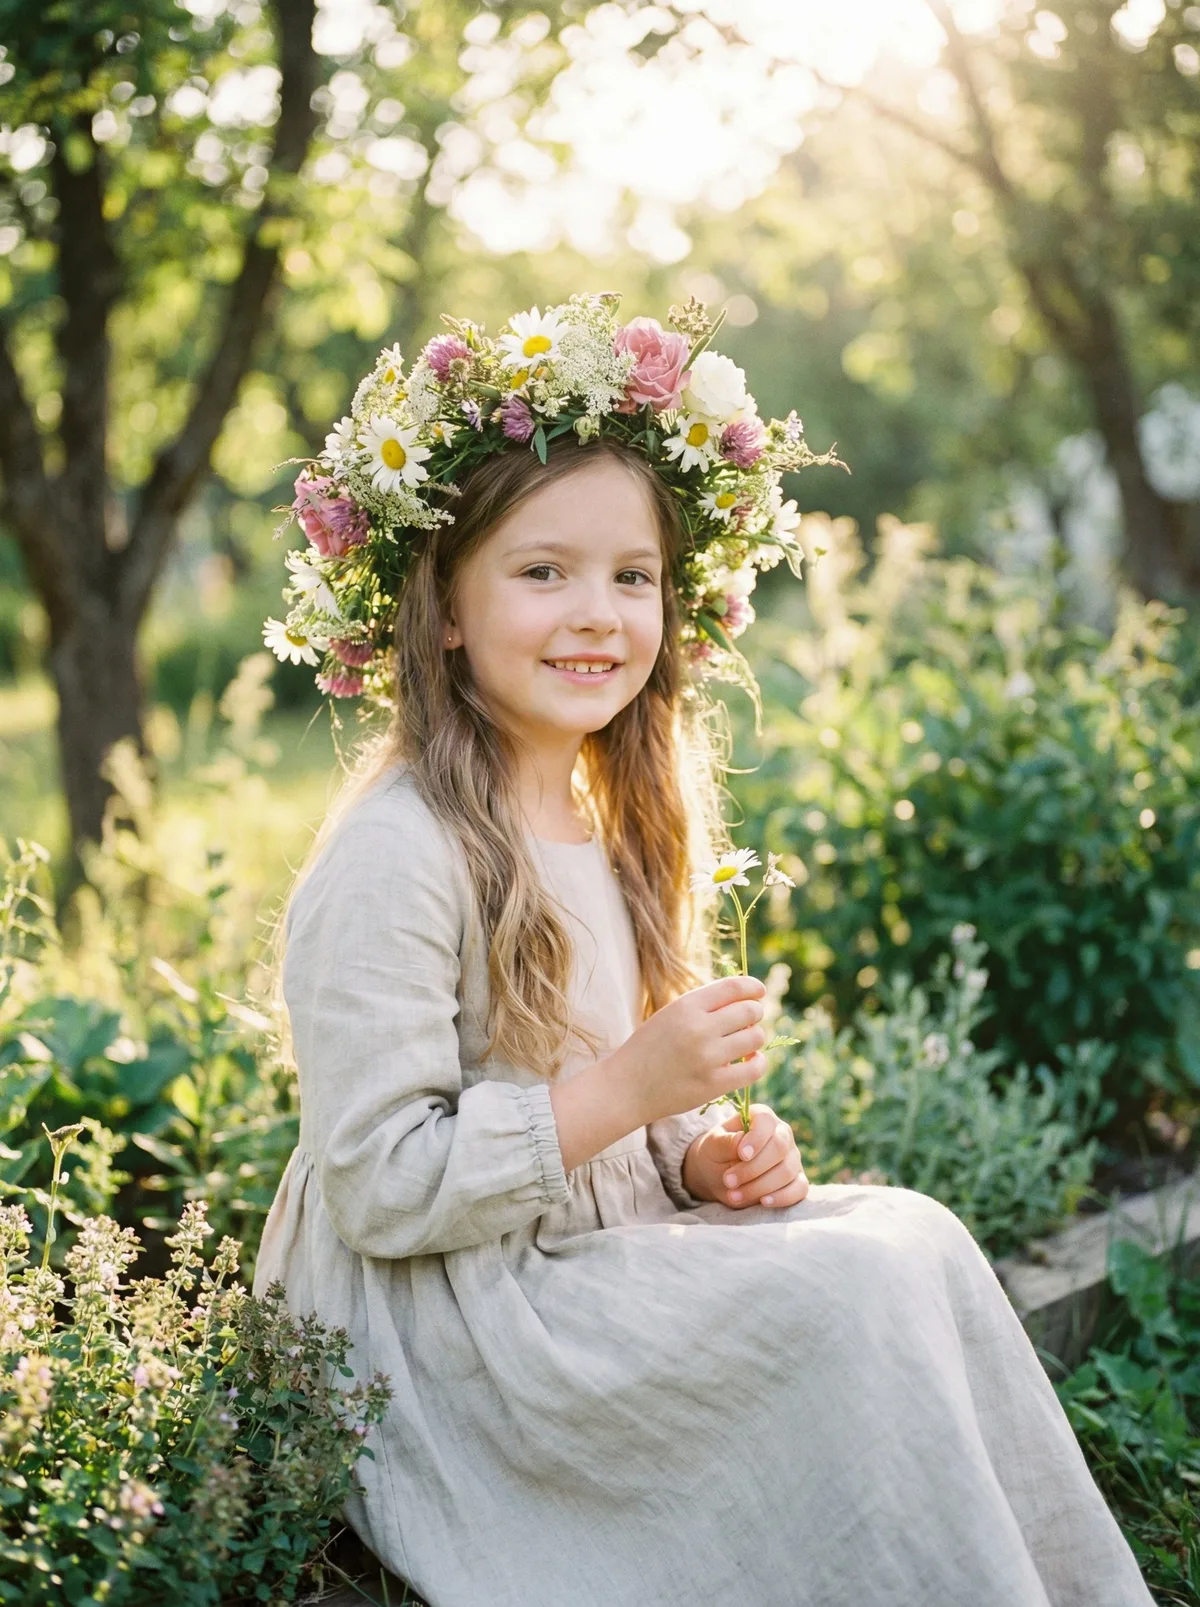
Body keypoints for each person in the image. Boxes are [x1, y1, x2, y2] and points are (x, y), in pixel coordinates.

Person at [254, 295, 1155, 1607]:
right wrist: (631, 1090)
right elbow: (386, 1185)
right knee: (844, 1292)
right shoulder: (399, 851)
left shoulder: (603, 810)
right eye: (542, 569)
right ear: (441, 605)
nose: (599, 613)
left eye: (633, 576)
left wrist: (700, 1148)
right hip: (455, 1330)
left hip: (569, 1258)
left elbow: (621, 1104)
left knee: (916, 1237)